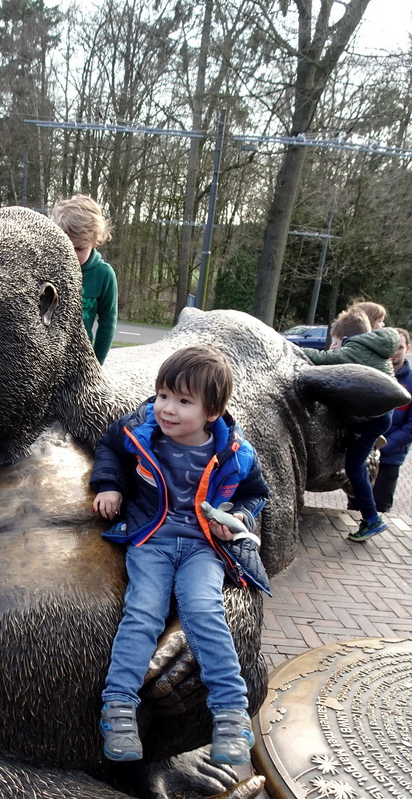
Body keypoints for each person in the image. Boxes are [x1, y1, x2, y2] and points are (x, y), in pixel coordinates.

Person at [90, 345, 269, 766]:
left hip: (202, 547)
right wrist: (110, 485)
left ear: (212, 412)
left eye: (184, 401)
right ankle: (117, 706)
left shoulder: (236, 453)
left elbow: (255, 493)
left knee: (205, 612)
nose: (167, 409)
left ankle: (230, 713)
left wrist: (238, 517)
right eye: (164, 395)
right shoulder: (140, 428)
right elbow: (109, 447)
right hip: (150, 540)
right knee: (143, 611)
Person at [304, 308, 399, 542]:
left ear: (345, 338)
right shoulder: (373, 348)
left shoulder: (355, 350)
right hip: (380, 416)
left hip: (371, 420)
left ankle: (371, 518)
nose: (334, 346)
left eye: (336, 341)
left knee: (354, 466)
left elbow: (324, 359)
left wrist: (289, 347)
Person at [50, 194, 118, 364]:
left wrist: (96, 364)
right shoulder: (48, 268)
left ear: (96, 242)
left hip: (79, 361)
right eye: (65, 245)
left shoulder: (104, 275)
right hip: (47, 357)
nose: (71, 253)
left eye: (79, 248)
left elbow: (107, 323)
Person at [372, 328, 412, 513]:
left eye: (400, 347)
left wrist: (385, 447)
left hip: (390, 458)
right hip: (367, 454)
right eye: (392, 347)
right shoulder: (373, 373)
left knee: (380, 506)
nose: (395, 352)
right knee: (355, 505)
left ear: (408, 349)